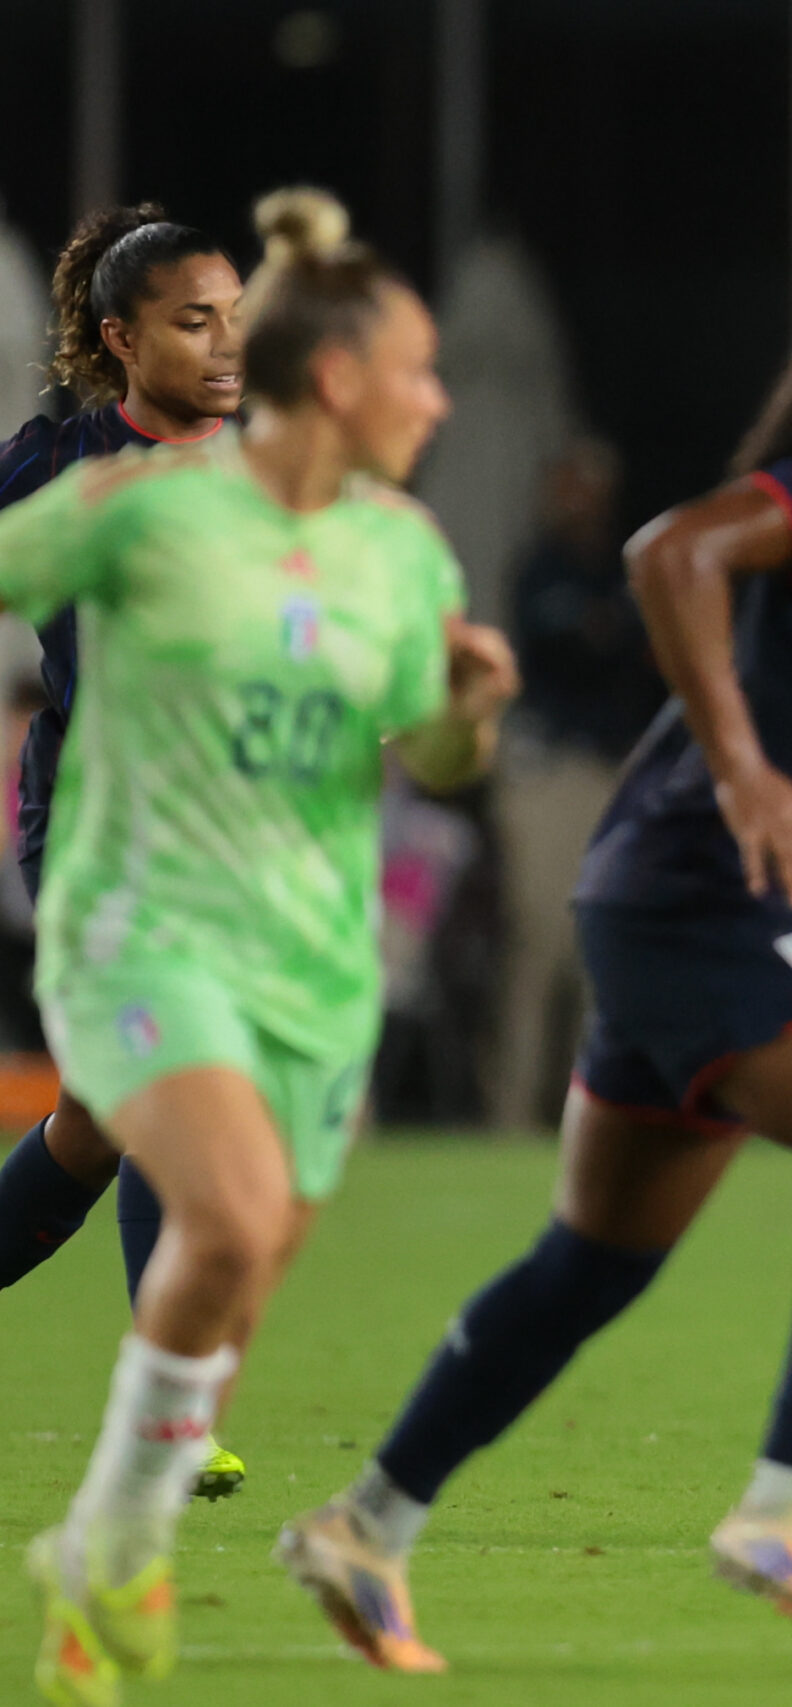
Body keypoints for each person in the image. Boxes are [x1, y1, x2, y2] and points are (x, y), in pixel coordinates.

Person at [279, 196, 792, 1662]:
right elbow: (671, 551)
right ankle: (784, 1504)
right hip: (710, 891)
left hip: (665, 896)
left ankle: (364, 1523)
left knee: (594, 1260)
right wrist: (746, 764)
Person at [3, 186, 516, 1707]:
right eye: (420, 369)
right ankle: (121, 1551)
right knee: (213, 1205)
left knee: (216, 1227)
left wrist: (467, 713)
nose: (440, 397)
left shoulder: (404, 554)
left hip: (302, 951)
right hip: (133, 915)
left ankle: (104, 1536)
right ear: (342, 376)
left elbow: (434, 759)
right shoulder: (134, 501)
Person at [0, 204, 259, 1501]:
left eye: (234, 319)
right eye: (191, 322)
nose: (224, 346)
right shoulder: (57, 459)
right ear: (120, 335)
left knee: (97, 1127)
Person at [488, 438, 661, 1129]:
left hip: (612, 770)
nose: (576, 499)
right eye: (565, 485)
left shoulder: (627, 565)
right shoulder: (541, 568)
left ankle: (592, 1112)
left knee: (604, 948)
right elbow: (570, 644)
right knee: (538, 948)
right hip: (550, 769)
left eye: (586, 484)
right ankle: (512, 1109)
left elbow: (639, 654)